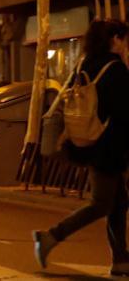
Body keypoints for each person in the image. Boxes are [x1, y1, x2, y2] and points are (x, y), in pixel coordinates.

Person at [33, 19, 129, 276]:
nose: (126, 46)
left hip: (88, 142)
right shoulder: (116, 70)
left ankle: (121, 260)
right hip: (109, 147)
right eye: (124, 39)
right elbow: (123, 113)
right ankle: (50, 236)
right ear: (115, 39)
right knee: (101, 203)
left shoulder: (84, 64)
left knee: (119, 202)